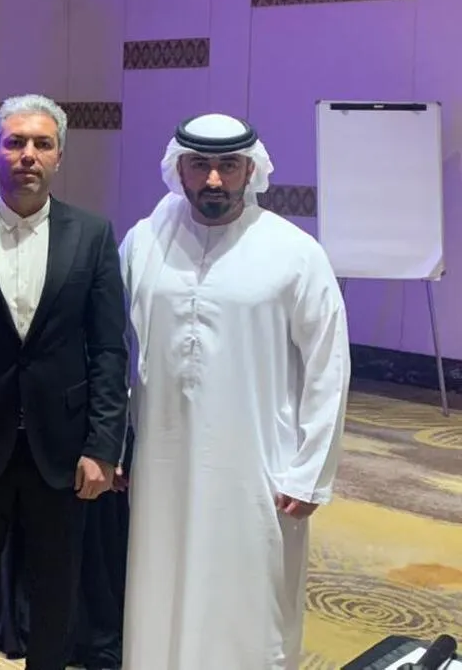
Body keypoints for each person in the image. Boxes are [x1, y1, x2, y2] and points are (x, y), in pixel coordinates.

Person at [117, 113, 351, 670]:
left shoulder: (294, 252)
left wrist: (310, 471)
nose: (215, 179)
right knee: (160, 584)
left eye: (228, 165)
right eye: (200, 165)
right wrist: (116, 443)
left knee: (252, 596)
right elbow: (116, 350)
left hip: (259, 465)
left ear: (252, 170)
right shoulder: (145, 242)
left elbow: (329, 365)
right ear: (179, 169)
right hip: (161, 461)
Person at [0, 94, 129, 670]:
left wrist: (103, 446)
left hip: (62, 449)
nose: (28, 155)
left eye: (42, 144)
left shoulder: (92, 234)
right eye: (15, 142)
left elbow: (109, 349)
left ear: (59, 156)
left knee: (56, 589)